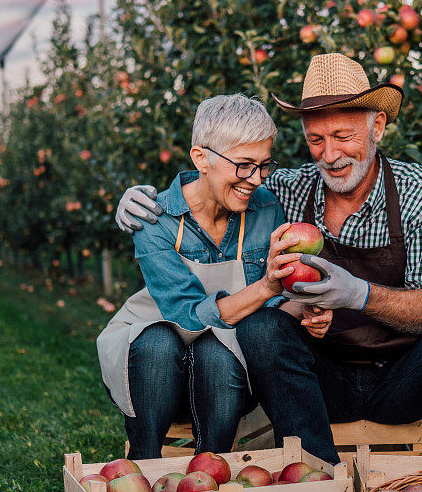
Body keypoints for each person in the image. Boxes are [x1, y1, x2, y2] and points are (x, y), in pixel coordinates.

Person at [115, 54, 422, 464]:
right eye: (316, 139)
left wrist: (357, 294)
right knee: (262, 328)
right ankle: (317, 477)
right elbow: (225, 176)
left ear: (378, 127)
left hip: (401, 373)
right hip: (317, 377)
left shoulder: (419, 193)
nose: (330, 154)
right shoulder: (285, 190)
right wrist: (147, 201)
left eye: (343, 136)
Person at [97, 94, 331, 460]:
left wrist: (305, 310)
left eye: (264, 165)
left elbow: (274, 304)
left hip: (227, 373)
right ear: (200, 158)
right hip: (155, 372)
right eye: (243, 165)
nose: (255, 179)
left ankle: (212, 469)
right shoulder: (153, 217)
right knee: (158, 342)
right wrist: (264, 286)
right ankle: (143, 464)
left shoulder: (266, 208)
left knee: (216, 351)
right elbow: (186, 314)